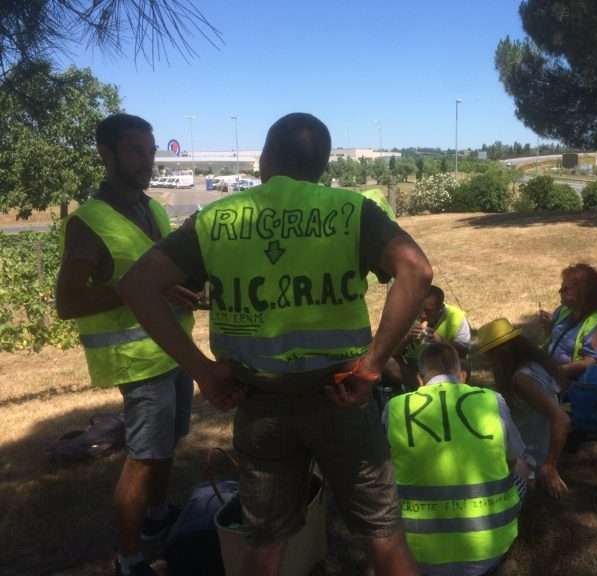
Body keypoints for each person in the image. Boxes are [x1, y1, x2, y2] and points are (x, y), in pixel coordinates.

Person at [117, 112, 432, 576]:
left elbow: (138, 284)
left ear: (265, 159)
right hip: (341, 399)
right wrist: (372, 365)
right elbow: (417, 270)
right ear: (322, 165)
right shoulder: (349, 210)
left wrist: (202, 370)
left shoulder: (217, 218)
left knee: (265, 544)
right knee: (382, 535)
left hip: (260, 406)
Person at [55, 113, 198, 576]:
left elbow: (161, 275)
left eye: (151, 151)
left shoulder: (152, 208)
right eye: (136, 151)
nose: (147, 161)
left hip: (172, 349)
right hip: (138, 361)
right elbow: (68, 301)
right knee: (143, 458)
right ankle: (129, 558)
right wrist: (134, 287)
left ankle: (157, 520)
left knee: (168, 444)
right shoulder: (89, 223)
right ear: (107, 153)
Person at [383, 342, 528, 576]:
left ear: (420, 379)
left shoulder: (395, 408)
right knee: (521, 463)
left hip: (417, 551)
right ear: (462, 376)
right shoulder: (493, 400)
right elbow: (513, 460)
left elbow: (383, 469)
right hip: (490, 548)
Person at [476, 318, 571, 498]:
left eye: (489, 355)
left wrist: (549, 465)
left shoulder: (522, 378)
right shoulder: (535, 364)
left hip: (530, 459)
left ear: (499, 353)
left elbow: (561, 419)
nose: (488, 362)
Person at [540, 263, 597, 391]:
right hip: (565, 381)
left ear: (584, 293)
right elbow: (555, 343)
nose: (560, 291)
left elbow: (591, 364)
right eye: (562, 287)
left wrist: (555, 372)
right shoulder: (563, 311)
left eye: (566, 288)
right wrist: (548, 327)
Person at [384, 285, 471, 391]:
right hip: (416, 367)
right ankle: (426, 391)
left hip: (445, 366)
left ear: (440, 309)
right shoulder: (407, 315)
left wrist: (442, 341)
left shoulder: (456, 317)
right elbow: (393, 352)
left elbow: (463, 352)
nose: (422, 315)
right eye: (419, 309)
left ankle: (449, 391)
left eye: (428, 310)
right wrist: (407, 338)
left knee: (464, 366)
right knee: (387, 362)